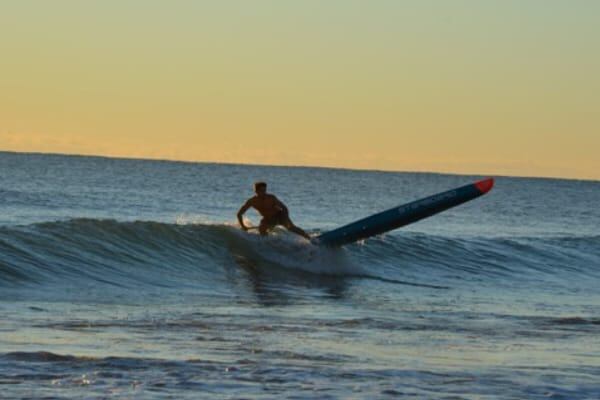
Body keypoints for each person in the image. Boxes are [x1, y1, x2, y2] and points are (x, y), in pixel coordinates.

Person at [237, 182, 311, 240]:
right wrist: (243, 226)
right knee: (261, 229)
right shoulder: (252, 201)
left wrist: (285, 217)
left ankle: (309, 238)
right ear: (256, 191)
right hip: (268, 219)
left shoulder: (271, 198)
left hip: (279, 215)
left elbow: (284, 207)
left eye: (265, 190)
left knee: (291, 228)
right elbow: (239, 214)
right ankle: (269, 244)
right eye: (261, 191)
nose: (264, 192)